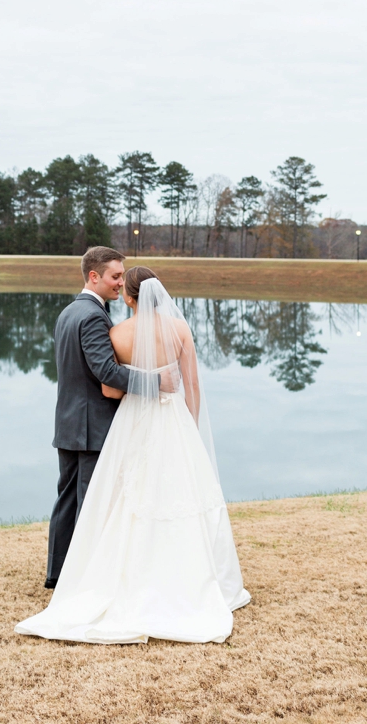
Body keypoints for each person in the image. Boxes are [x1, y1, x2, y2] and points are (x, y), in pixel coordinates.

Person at [16, 264, 250, 644]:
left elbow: (110, 390)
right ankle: (190, 579)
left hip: (134, 423)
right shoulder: (180, 330)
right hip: (174, 419)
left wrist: (143, 387)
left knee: (126, 497)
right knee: (180, 493)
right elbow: (191, 384)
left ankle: (111, 575)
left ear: (128, 297)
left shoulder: (118, 333)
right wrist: (187, 423)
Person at [43, 246, 132, 589]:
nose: (120, 283)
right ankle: (81, 578)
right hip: (90, 425)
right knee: (90, 501)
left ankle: (58, 573)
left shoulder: (68, 312)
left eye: (122, 276)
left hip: (68, 422)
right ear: (94, 276)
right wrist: (154, 382)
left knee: (67, 498)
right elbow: (105, 371)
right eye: (115, 276)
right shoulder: (94, 315)